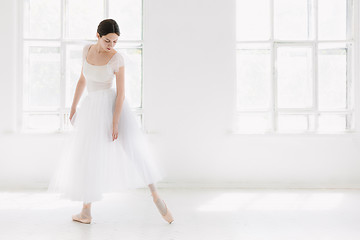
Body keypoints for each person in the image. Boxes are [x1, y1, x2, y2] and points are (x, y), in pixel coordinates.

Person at [47, 19, 174, 224]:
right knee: (87, 155)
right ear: (97, 36)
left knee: (133, 149)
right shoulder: (86, 50)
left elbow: (122, 93)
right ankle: (86, 211)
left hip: (113, 106)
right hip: (91, 107)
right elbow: (82, 80)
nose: (111, 45)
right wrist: (73, 107)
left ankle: (156, 196)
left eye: (115, 42)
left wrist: (115, 123)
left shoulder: (117, 59)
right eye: (107, 40)